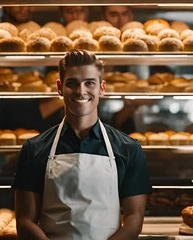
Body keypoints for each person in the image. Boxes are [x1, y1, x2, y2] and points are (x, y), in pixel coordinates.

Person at [14, 50, 152, 239]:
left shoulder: (128, 149)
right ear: (60, 88)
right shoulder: (34, 148)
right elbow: (24, 221)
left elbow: (134, 218)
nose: (81, 91)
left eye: (90, 83)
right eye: (72, 83)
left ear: (101, 88)